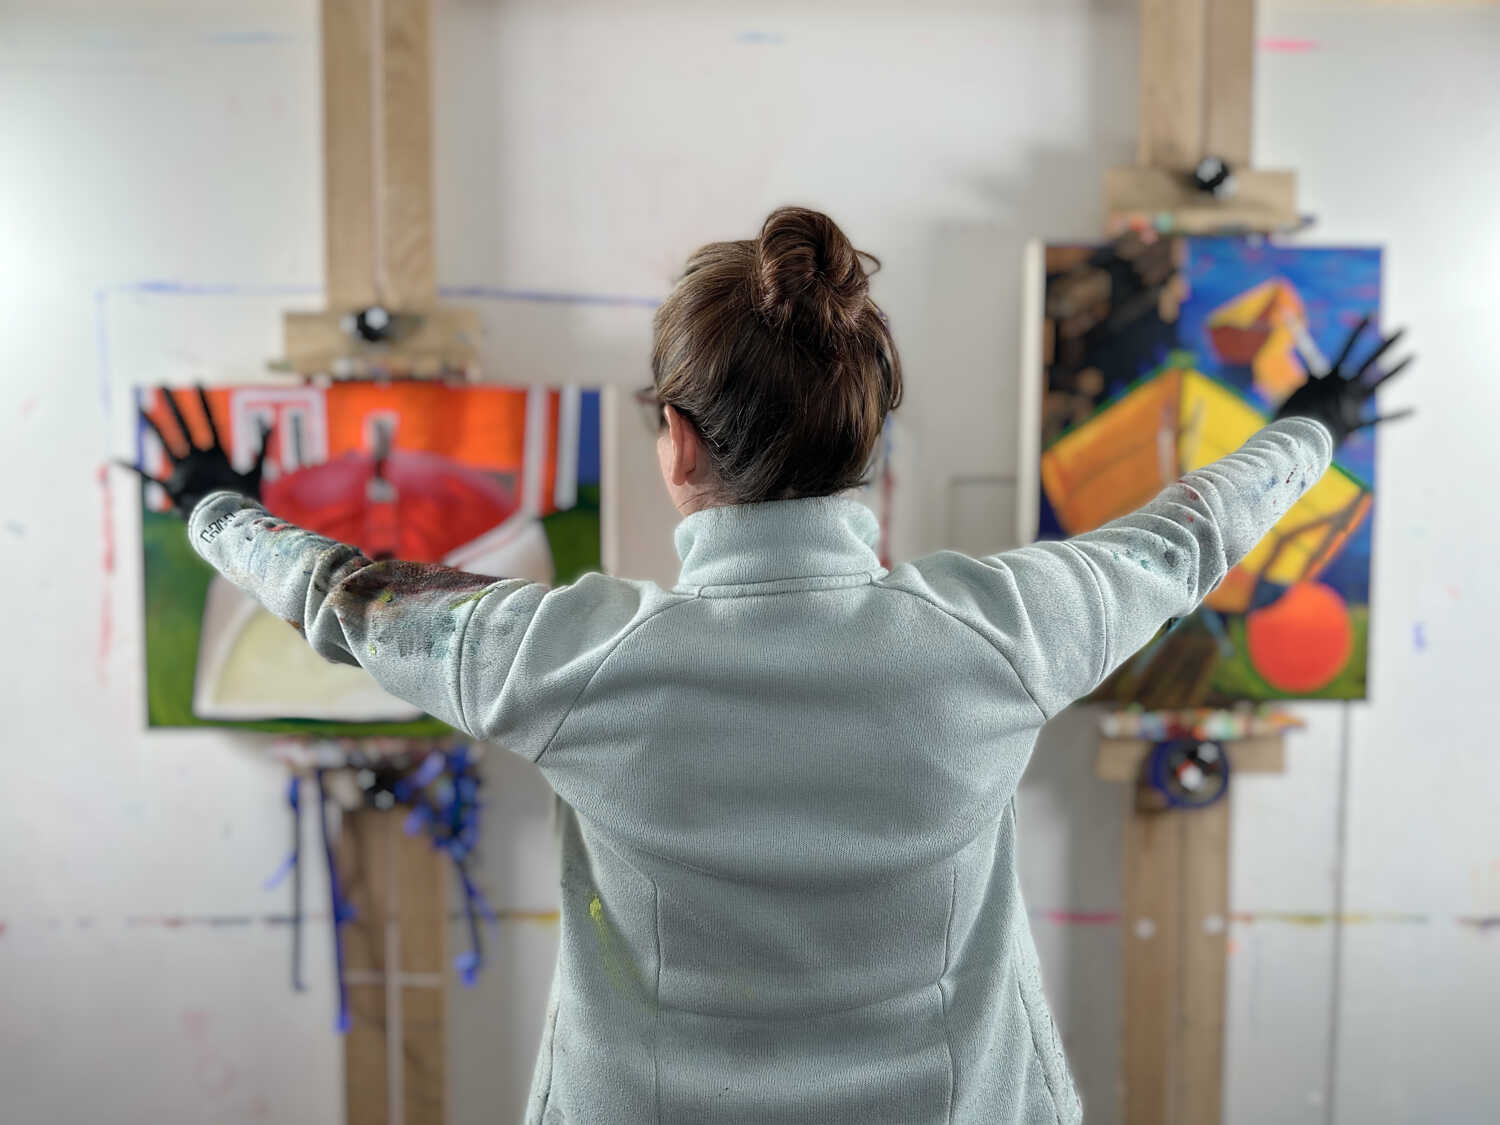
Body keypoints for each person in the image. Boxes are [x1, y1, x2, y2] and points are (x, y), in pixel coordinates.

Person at [133, 207, 1410, 1124]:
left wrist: (215, 507)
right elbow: (1193, 533)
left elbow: (349, 601)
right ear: (872, 449)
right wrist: (1319, 427)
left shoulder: (569, 659)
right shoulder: (1004, 633)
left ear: (677, 442)